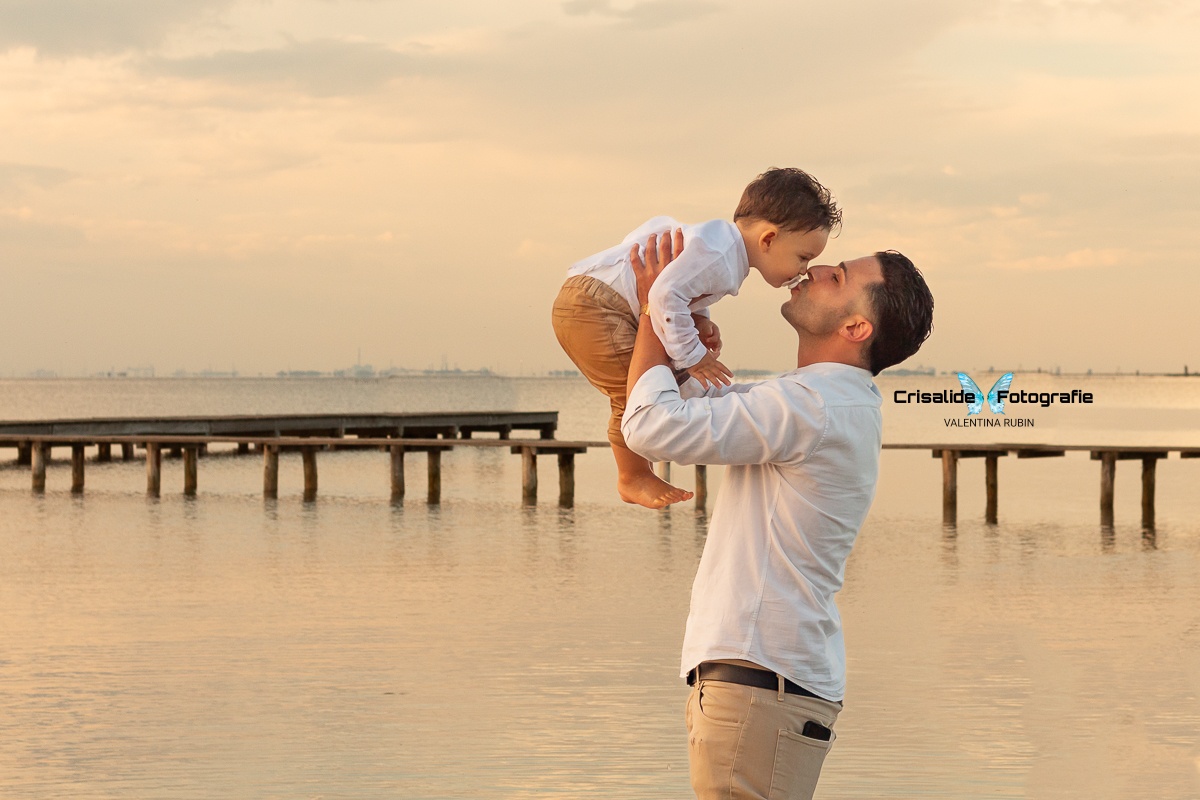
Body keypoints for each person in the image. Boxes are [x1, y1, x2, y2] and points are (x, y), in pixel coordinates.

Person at [622, 233, 934, 800]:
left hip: (759, 681)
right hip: (760, 680)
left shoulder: (812, 406)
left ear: (856, 328)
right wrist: (679, 329)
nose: (814, 270)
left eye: (837, 276)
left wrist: (655, 309)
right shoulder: (813, 400)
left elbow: (651, 426)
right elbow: (696, 406)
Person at [551, 168, 841, 509]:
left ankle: (648, 459)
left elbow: (683, 285)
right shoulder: (720, 257)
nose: (804, 270)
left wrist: (700, 322)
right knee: (632, 393)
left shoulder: (718, 245)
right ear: (768, 239)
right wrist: (693, 356)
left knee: (657, 383)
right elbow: (663, 296)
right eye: (803, 257)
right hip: (598, 307)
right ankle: (632, 475)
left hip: (593, 298)